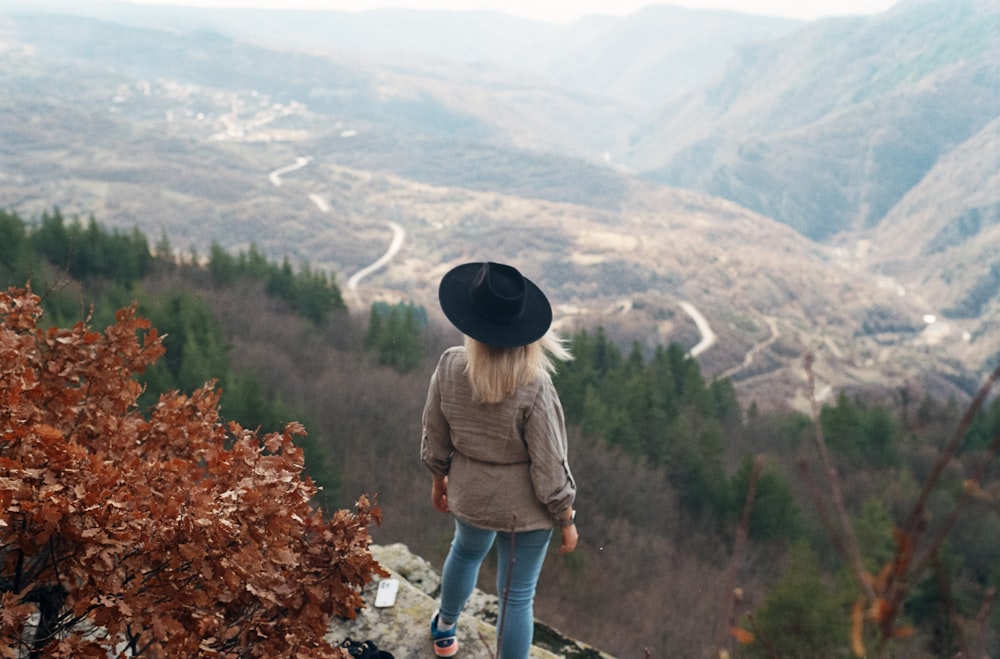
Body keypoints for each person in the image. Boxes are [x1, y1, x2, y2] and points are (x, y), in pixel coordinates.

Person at [421, 261, 578, 659]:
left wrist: (439, 477)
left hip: (469, 492)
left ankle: (444, 630)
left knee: (465, 551)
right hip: (523, 512)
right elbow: (549, 461)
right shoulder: (535, 385)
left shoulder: (451, 364)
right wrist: (565, 517)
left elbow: (435, 430)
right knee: (517, 597)